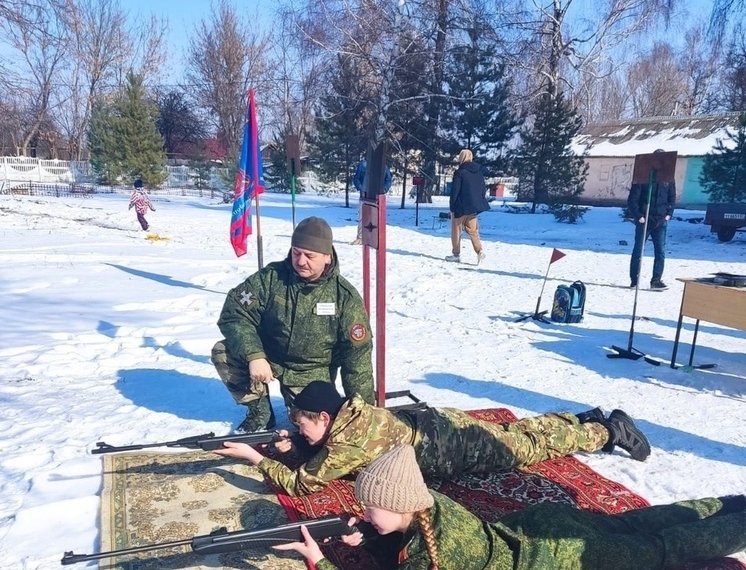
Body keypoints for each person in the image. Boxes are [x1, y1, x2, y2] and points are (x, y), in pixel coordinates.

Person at [276, 444, 746, 570]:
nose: (364, 514)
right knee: (639, 522)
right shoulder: (428, 506)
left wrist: (319, 561)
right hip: (543, 525)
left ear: (401, 504)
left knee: (662, 549)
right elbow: (401, 537)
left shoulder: (429, 561)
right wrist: (374, 537)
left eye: (372, 508)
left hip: (554, 555)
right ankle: (726, 504)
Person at [212, 379, 651, 496]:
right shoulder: (352, 415)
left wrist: (257, 458)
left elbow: (303, 484)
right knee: (514, 431)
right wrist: (298, 445)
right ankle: (577, 421)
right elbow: (321, 448)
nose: (299, 429)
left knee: (525, 448)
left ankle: (606, 430)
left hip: (451, 450)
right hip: (439, 424)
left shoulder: (346, 441)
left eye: (303, 423)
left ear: (325, 418)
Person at [211, 217, 374, 432]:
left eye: (310, 255)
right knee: (223, 351)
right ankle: (260, 413)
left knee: (311, 429)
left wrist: (365, 414)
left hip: (311, 372)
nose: (301, 261)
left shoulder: (344, 297)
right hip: (271, 357)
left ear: (327, 256)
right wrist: (254, 355)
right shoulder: (271, 278)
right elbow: (234, 314)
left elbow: (357, 359)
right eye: (296, 252)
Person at [627, 157, 676, 291]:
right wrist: (639, 215)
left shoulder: (668, 178)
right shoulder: (643, 177)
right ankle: (634, 280)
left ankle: (656, 280)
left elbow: (672, 197)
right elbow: (632, 199)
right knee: (638, 250)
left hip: (661, 220)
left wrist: (669, 213)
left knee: (660, 251)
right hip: (645, 220)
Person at [446, 149, 490, 265]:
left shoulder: (460, 172)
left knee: (456, 231)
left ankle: (456, 254)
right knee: (473, 231)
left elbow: (455, 191)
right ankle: (479, 251)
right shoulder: (479, 173)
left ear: (461, 158)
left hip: (460, 208)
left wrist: (452, 207)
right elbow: (482, 190)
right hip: (473, 208)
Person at [352, 158, 392, 244]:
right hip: (364, 196)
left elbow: (388, 180)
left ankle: (375, 238)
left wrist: (383, 189)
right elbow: (356, 179)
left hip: (377, 196)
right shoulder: (363, 165)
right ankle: (360, 237)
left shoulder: (383, 166)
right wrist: (361, 188)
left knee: (376, 217)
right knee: (362, 217)